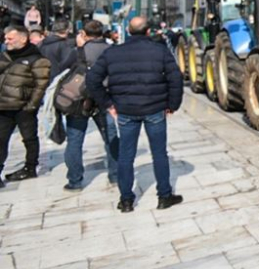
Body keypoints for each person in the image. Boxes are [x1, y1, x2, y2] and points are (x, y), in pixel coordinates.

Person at [87, 16, 183, 213]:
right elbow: (176, 79)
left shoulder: (112, 52)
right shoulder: (160, 51)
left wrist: (107, 103)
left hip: (126, 110)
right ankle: (164, 196)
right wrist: (172, 105)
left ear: (128, 31)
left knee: (126, 155)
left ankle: (126, 200)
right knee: (159, 153)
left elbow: (92, 79)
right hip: (154, 108)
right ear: (148, 31)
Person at [62, 21, 119, 191]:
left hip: (79, 100)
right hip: (105, 98)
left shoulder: (78, 52)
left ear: (84, 34)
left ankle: (75, 180)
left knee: (75, 140)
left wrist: (80, 48)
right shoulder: (112, 50)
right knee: (111, 137)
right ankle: (115, 175)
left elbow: (63, 68)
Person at [0, 26, 51, 185]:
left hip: (24, 108)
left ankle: (30, 167)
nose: (6, 41)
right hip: (4, 106)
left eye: (10, 38)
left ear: (23, 39)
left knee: (29, 138)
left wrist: (31, 106)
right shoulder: (4, 56)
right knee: (1, 139)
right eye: (5, 38)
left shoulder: (37, 59)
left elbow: (40, 85)